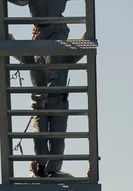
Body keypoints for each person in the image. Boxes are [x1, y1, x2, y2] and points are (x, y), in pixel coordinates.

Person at [9, 31, 87, 177]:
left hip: (57, 101)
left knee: (54, 136)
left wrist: (87, 37)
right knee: (41, 135)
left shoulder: (62, 54)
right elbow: (19, 52)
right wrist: (9, 38)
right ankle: (44, 165)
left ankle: (50, 167)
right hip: (41, 102)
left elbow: (80, 50)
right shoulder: (34, 53)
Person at [5, 0, 85, 90]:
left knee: (55, 48)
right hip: (40, 29)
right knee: (37, 56)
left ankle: (51, 78)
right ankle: (41, 88)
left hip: (58, 26)